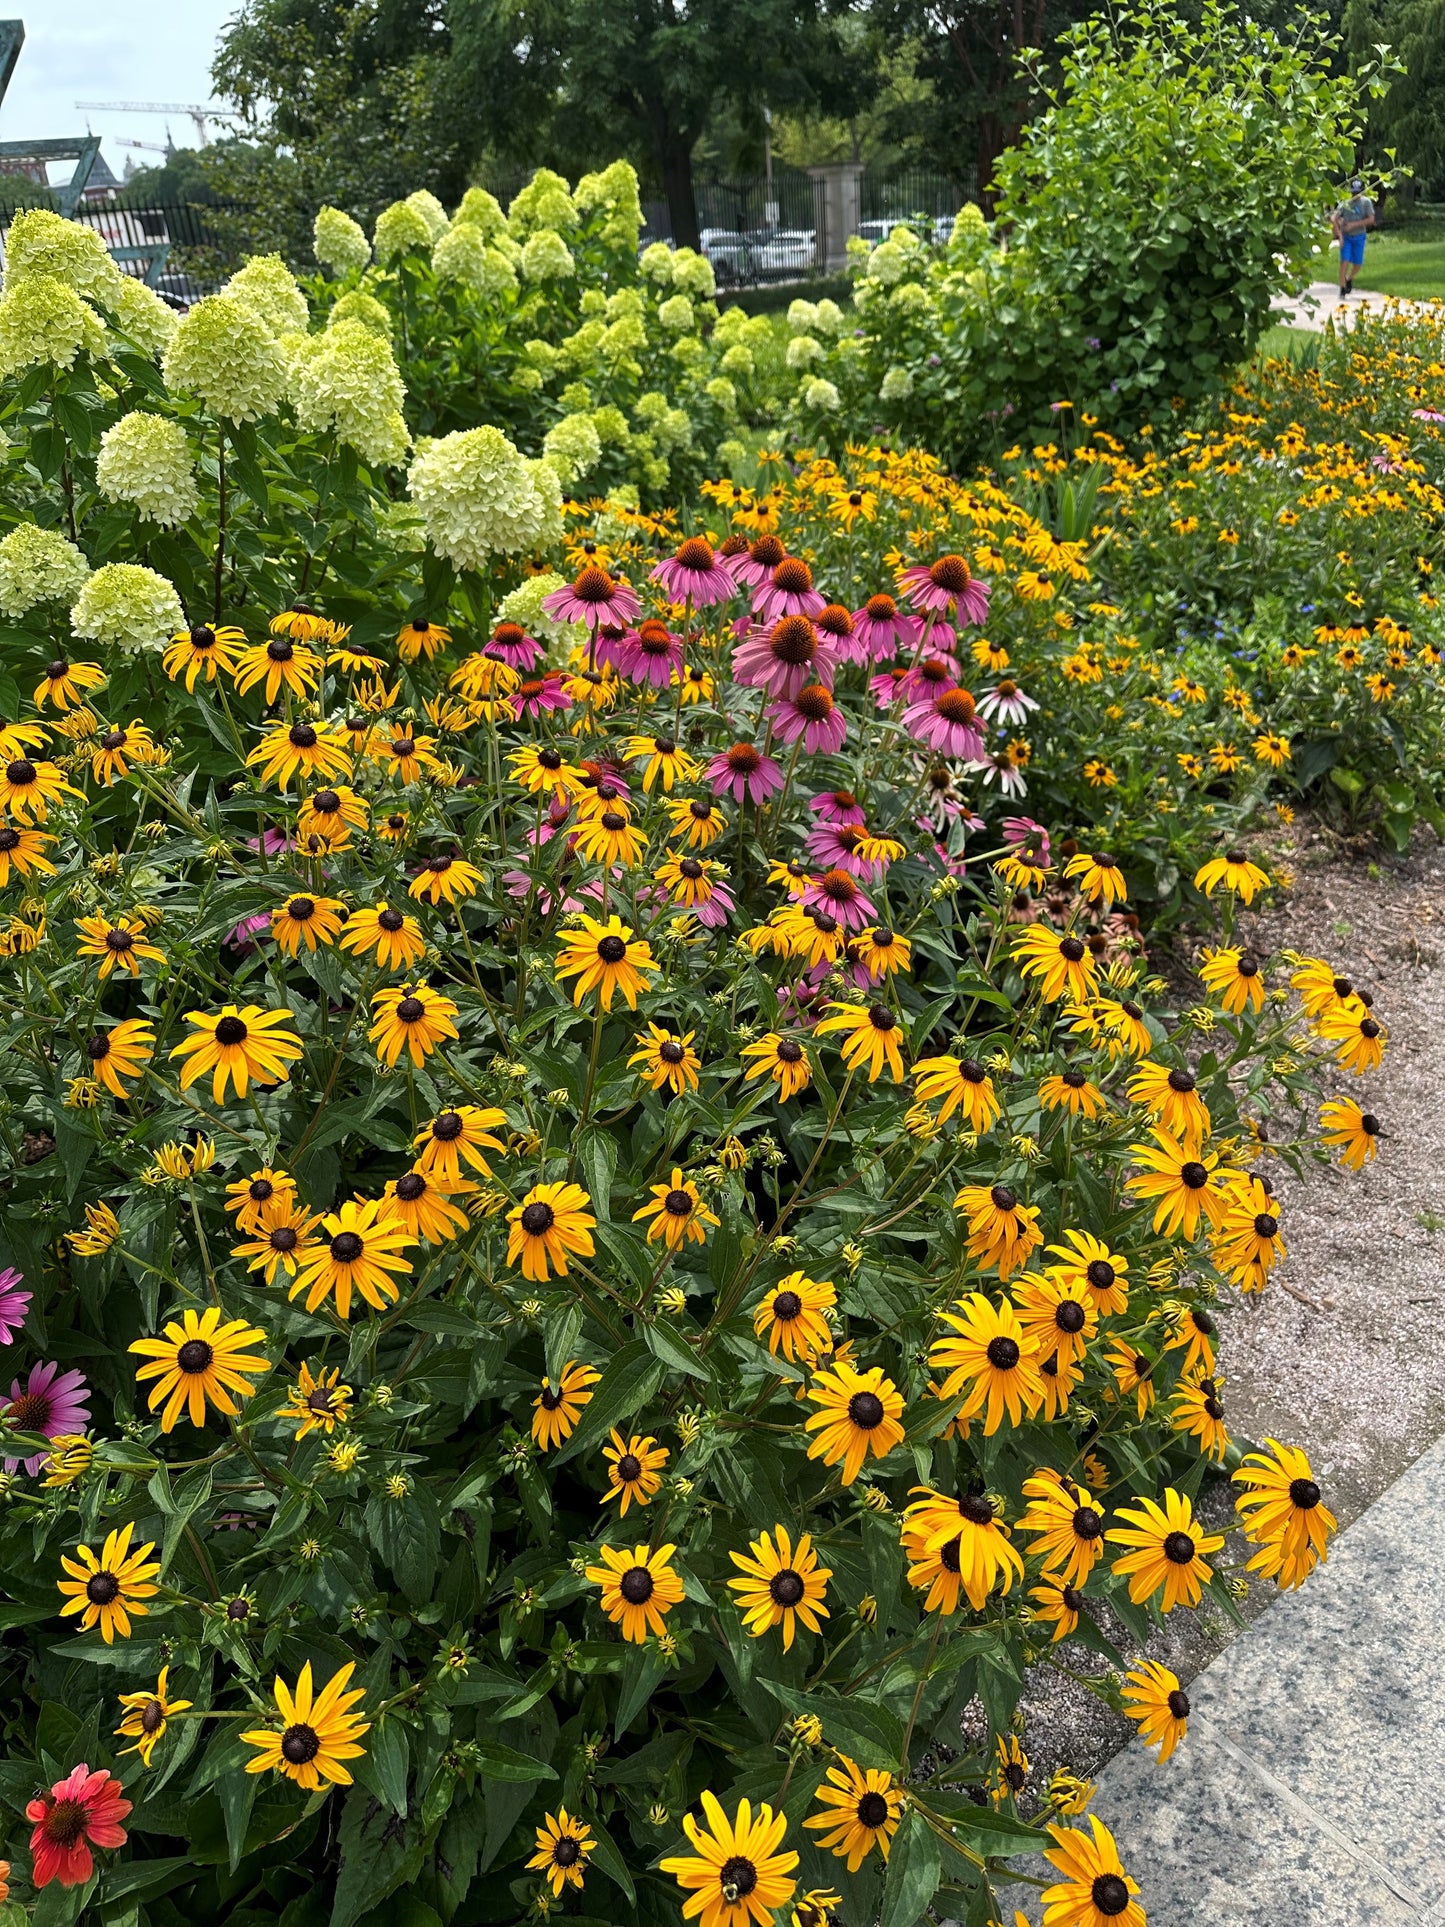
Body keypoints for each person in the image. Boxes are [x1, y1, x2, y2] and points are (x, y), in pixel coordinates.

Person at [1332, 176, 1375, 298]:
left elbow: (1371, 219)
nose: (1355, 195)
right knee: (1344, 262)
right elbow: (1333, 218)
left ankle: (1349, 279)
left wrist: (1354, 225)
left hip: (1359, 236)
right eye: (1353, 192)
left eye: (1358, 192)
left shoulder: (1366, 202)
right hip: (1346, 237)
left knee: (1357, 264)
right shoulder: (1345, 203)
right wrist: (1339, 236)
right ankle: (1342, 288)